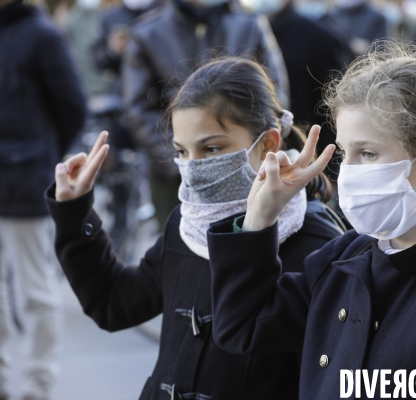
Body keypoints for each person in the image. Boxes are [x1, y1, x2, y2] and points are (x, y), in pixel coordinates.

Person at [206, 43, 416, 399]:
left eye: (368, 153)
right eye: (346, 153)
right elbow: (243, 328)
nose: (347, 171)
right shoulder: (347, 257)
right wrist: (260, 217)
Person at [45, 58, 344, 399]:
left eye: (212, 148)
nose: (194, 167)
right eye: (182, 151)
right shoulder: (188, 222)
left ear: (268, 144)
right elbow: (115, 304)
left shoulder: (316, 242)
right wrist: (74, 210)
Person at [123, 0, 289, 228]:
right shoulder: (147, 32)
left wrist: (247, 158)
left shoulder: (249, 25)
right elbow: (140, 109)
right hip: (172, 180)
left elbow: (274, 94)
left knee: (253, 238)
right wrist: (188, 164)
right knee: (181, 250)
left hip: (243, 172)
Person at [0, 0, 87, 399]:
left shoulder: (42, 35)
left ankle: (37, 386)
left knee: (35, 290)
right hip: (19, 172)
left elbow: (72, 106)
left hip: (25, 180)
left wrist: (43, 155)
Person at [243, 0, 345, 178]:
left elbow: (332, 108)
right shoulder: (240, 31)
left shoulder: (318, 37)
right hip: (250, 158)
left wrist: (329, 171)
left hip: (306, 161)